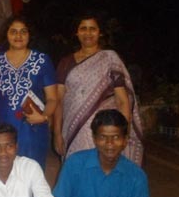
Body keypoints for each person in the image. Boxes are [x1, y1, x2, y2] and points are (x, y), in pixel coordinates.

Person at [53, 12, 143, 164]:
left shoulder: (110, 59)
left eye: (92, 29)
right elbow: (59, 101)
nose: (88, 33)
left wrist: (124, 133)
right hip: (73, 130)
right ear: (77, 33)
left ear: (100, 33)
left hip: (105, 131)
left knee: (103, 171)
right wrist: (57, 134)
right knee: (77, 170)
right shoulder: (65, 63)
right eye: (83, 28)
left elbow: (122, 101)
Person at [0, 16, 58, 169]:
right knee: (2, 173)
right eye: (13, 31)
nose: (18, 36)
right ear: (6, 34)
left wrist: (44, 117)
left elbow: (53, 98)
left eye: (23, 31)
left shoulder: (42, 60)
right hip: (1, 129)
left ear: (29, 35)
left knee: (31, 173)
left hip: (32, 129)